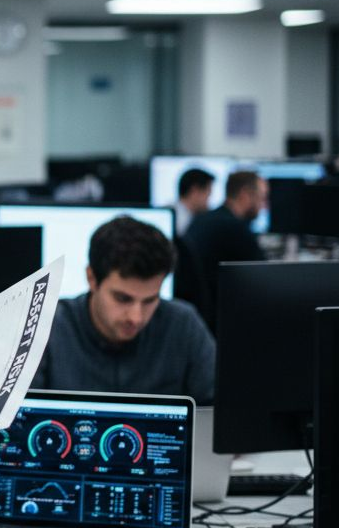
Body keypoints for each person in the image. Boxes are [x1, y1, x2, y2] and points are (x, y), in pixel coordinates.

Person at [32, 216, 216, 405]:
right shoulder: (44, 326)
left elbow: (218, 409)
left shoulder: (183, 324)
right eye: (123, 299)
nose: (136, 317)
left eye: (150, 300)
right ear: (92, 278)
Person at [182, 170, 267, 331]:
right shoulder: (236, 229)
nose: (264, 206)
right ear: (245, 195)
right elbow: (266, 277)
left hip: (197, 316)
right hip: (216, 323)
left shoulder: (203, 218)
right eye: (261, 198)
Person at [173, 167, 215, 237]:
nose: (208, 202)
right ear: (194, 191)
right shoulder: (180, 221)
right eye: (208, 195)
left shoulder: (190, 216)